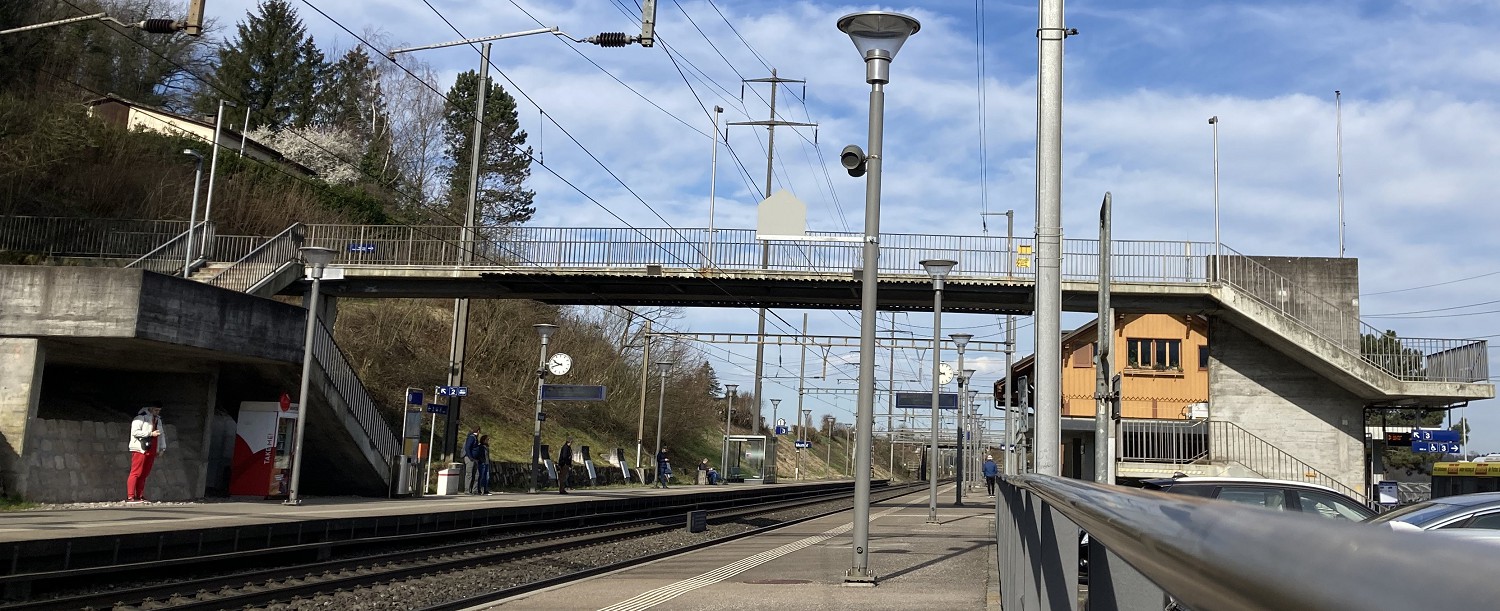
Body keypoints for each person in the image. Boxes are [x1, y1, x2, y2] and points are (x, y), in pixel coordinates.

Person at [126, 402, 165, 502]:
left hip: (152, 448)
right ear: (150, 409)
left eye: (159, 410)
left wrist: (162, 448)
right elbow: (135, 432)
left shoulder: (158, 420)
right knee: (136, 472)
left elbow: (161, 435)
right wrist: (150, 433)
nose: (157, 412)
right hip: (140, 448)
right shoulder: (140, 418)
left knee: (144, 473)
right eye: (156, 410)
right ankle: (130, 495)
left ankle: (140, 495)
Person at [462, 426, 481, 494]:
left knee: (476, 475)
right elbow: (468, 448)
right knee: (469, 474)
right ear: (478, 431)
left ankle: (474, 490)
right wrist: (470, 457)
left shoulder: (474, 438)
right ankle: (467, 490)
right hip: (470, 458)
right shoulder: (471, 438)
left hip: (475, 459)